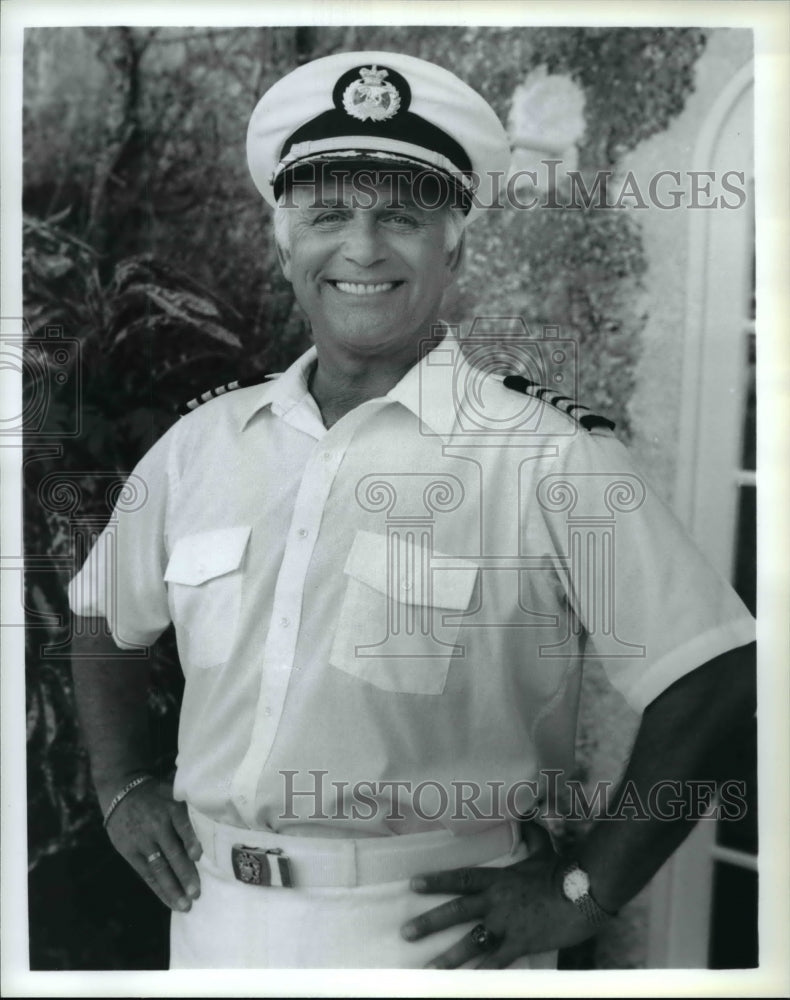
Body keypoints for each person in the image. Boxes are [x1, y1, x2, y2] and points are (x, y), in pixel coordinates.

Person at [69, 50, 756, 970]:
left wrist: (585, 891)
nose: (361, 249)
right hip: (213, 925)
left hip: (437, 939)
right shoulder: (203, 446)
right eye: (326, 216)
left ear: (453, 245)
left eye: (400, 216)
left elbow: (715, 672)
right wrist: (120, 782)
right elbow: (100, 612)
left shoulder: (548, 456)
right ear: (286, 246)